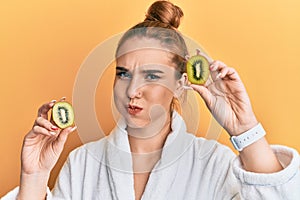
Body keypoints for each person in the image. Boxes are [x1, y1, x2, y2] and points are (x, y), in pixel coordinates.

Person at [2, 1, 300, 199]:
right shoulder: (83, 162)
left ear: (182, 83)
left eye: (153, 76)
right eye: (123, 73)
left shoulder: (214, 163)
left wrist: (244, 127)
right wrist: (35, 175)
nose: (133, 90)